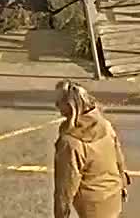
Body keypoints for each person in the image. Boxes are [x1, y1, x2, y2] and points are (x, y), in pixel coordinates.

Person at [53, 81, 129, 218]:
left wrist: (61, 214)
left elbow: (65, 186)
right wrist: (123, 183)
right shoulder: (105, 125)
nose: (56, 105)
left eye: (59, 101)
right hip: (114, 195)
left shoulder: (71, 143)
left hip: (92, 205)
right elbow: (118, 156)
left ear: (70, 106)